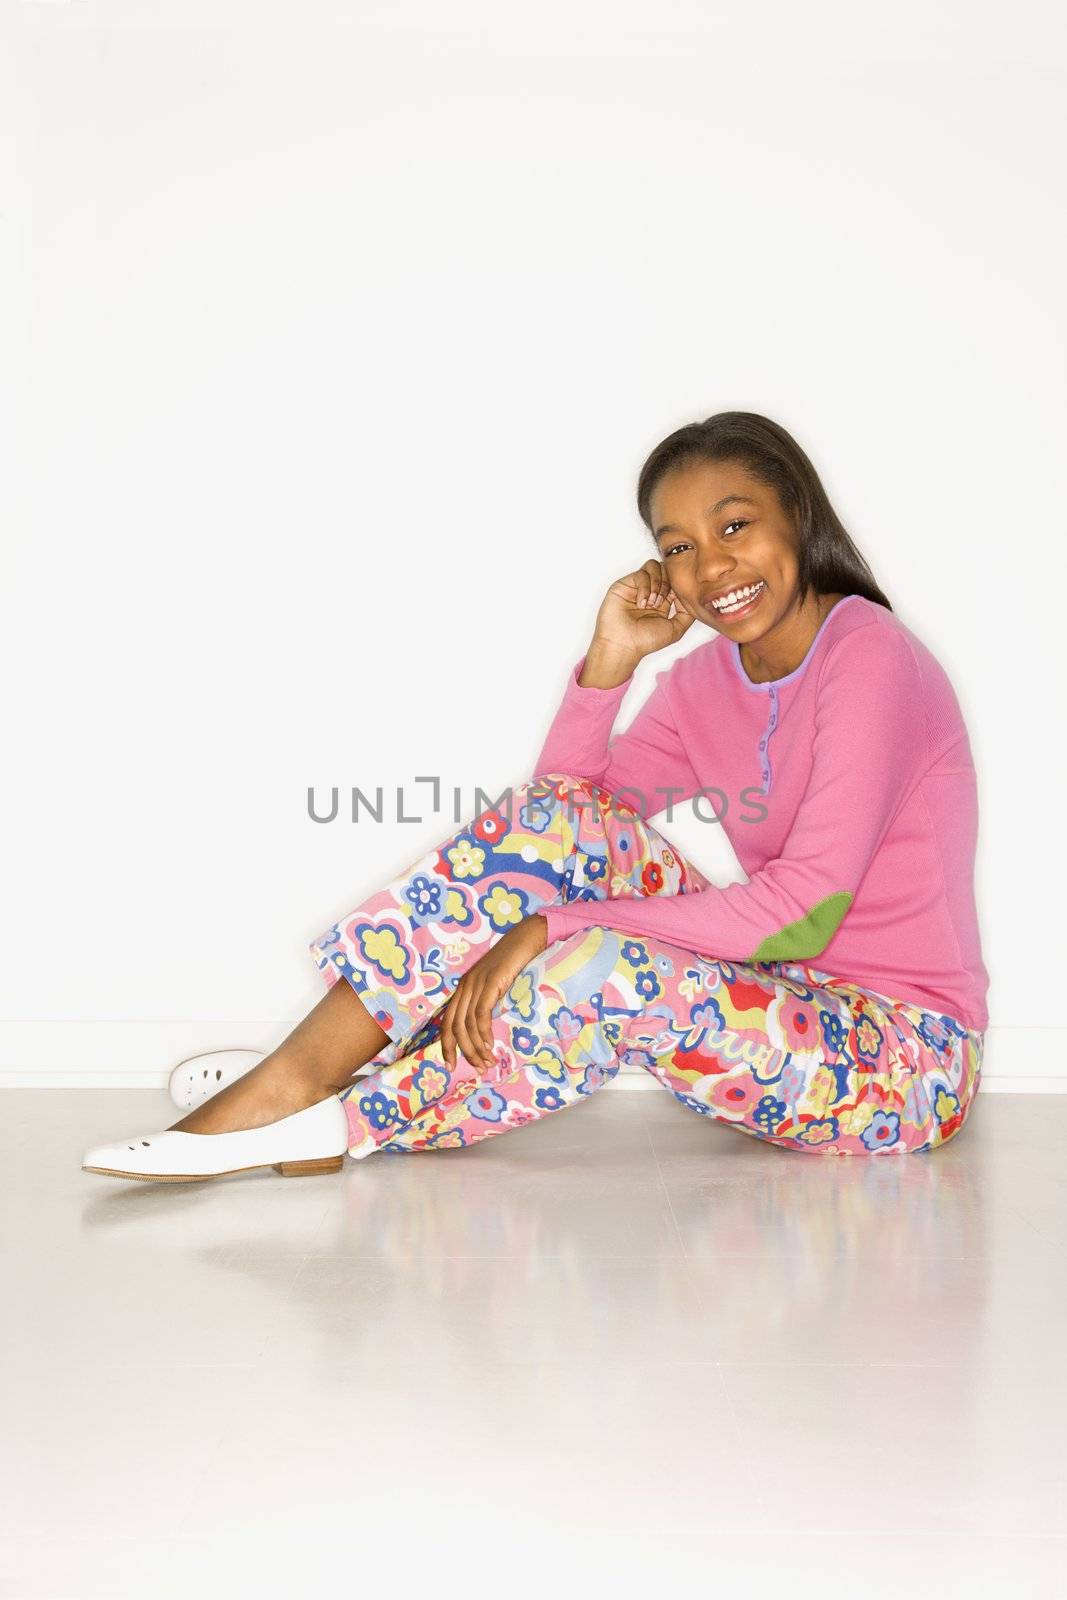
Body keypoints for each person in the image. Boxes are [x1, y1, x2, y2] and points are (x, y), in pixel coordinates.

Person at [81, 410, 988, 1181]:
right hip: (781, 994)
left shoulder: (866, 653)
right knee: (555, 839)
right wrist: (610, 666)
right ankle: (300, 1082)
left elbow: (806, 915)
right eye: (677, 548)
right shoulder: (706, 681)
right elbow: (559, 818)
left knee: (595, 963)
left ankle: (336, 1118)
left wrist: (555, 929)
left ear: (798, 516)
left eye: (733, 527)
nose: (709, 569)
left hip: (903, 1056)